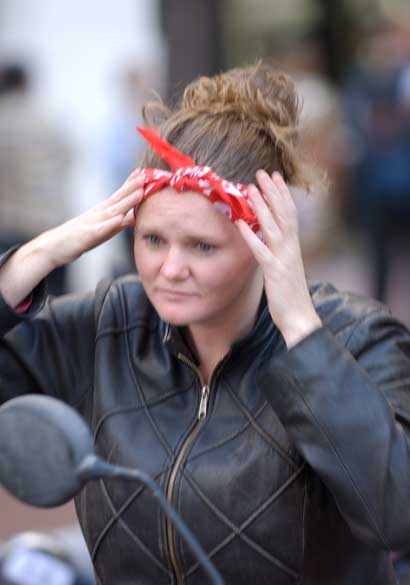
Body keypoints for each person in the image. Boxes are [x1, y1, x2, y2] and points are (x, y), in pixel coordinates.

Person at [1, 62, 410, 585]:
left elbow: (396, 514)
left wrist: (304, 337)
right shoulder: (110, 324)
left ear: (264, 237)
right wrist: (33, 258)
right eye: (153, 240)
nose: (170, 269)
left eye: (202, 246)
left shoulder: (356, 336)